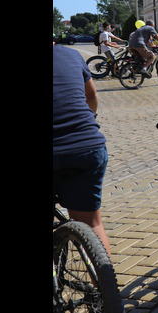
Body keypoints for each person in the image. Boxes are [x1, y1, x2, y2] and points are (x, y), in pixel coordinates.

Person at [53, 41, 113, 259]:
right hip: (87, 146)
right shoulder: (72, 55)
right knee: (92, 224)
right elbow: (91, 98)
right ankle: (105, 290)